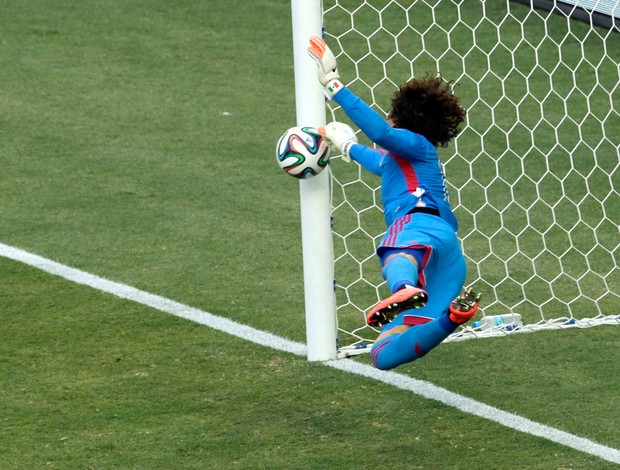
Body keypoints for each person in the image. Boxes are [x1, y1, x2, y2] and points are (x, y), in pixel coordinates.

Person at [307, 35, 481, 370]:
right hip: (446, 258)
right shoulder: (406, 159)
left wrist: (334, 86)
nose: (387, 118)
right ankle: (454, 318)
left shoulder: (417, 144)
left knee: (394, 244)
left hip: (419, 228)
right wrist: (345, 147)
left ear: (402, 118)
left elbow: (383, 137)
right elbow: (381, 162)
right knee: (382, 355)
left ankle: (403, 287)